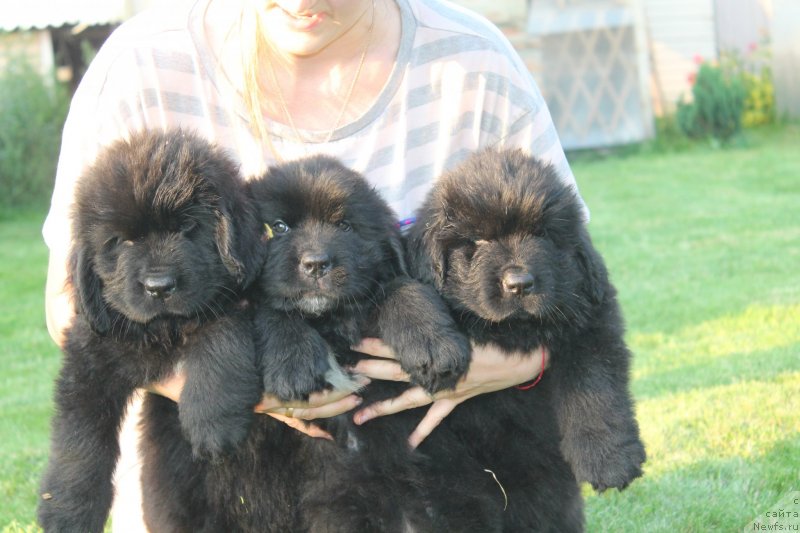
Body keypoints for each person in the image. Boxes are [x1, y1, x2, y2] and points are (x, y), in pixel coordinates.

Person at [43, 0, 588, 529]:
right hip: (206, 482)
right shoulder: (141, 64)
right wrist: (218, 378)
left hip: (431, 474)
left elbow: (572, 266)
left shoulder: (475, 63)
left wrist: (521, 358)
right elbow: (78, 301)